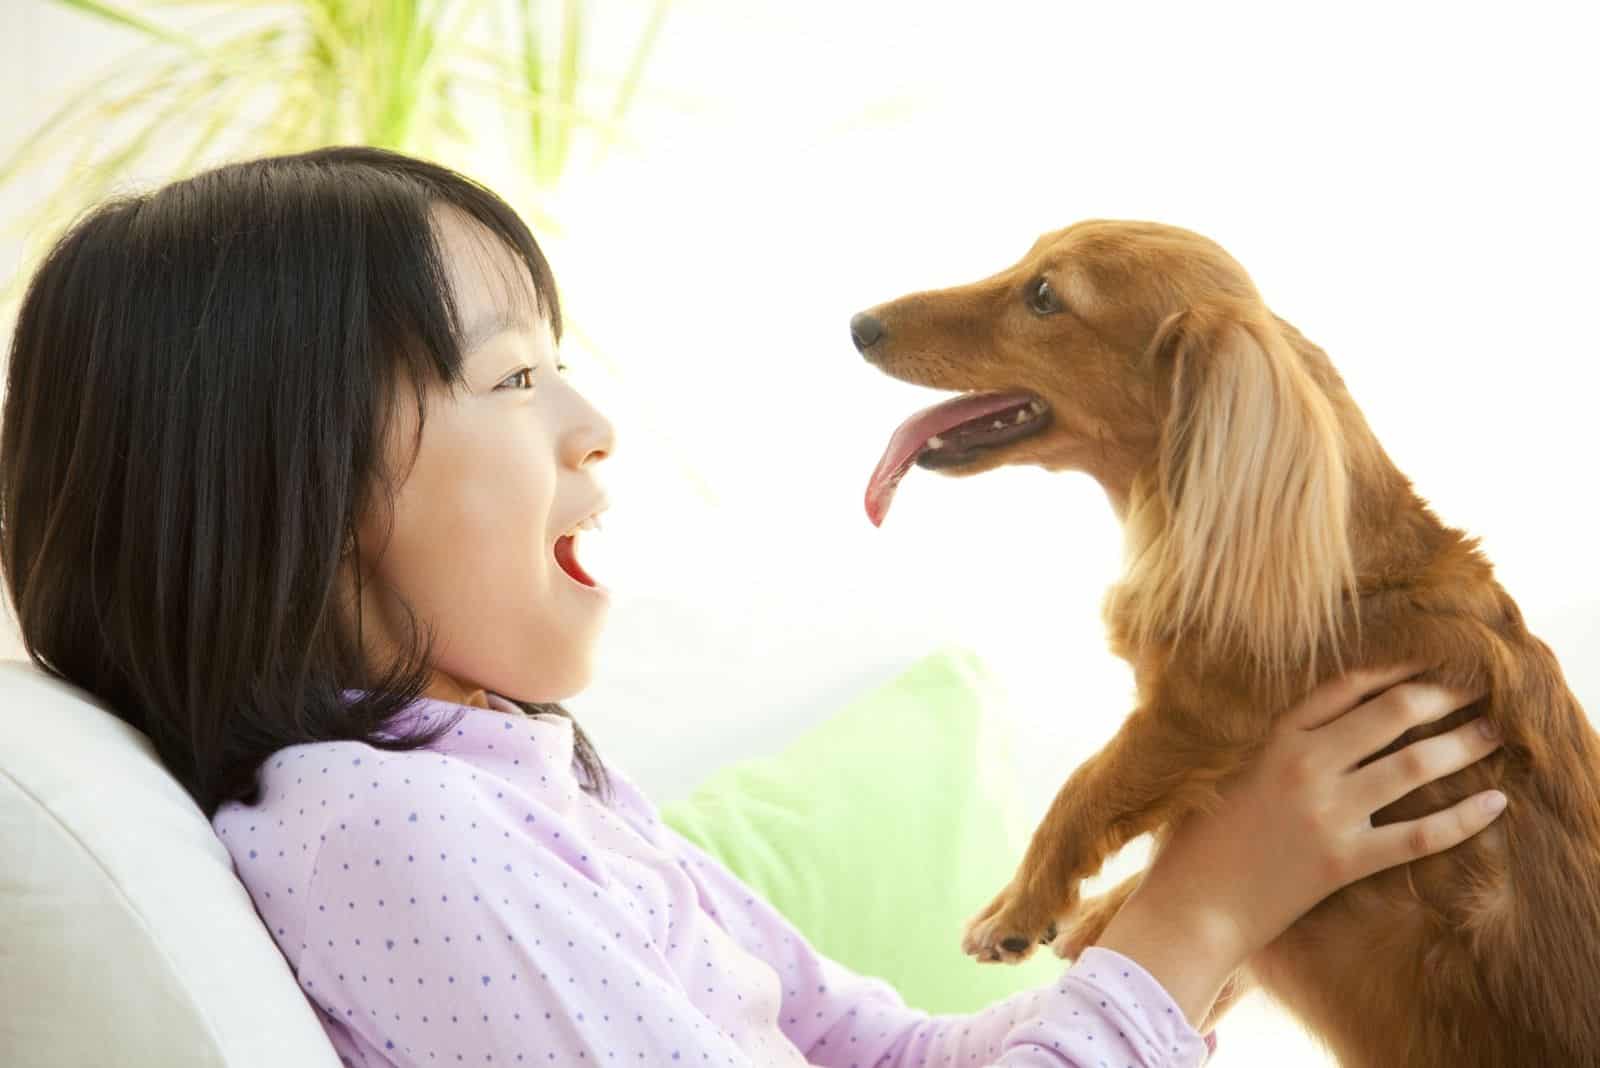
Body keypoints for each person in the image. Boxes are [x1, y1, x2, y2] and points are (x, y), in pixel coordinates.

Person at [0, 146, 1508, 1068]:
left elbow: (876, 1052)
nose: (592, 421)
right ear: (293, 490)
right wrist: (1197, 916)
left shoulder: (534, 786)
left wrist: (1209, 937)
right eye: (516, 377)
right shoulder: (391, 835)